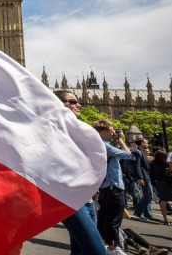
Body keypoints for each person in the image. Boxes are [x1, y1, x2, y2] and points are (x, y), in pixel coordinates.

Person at [54, 90, 106, 255]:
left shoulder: (79, 130)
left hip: (88, 200)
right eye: (73, 101)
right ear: (60, 104)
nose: (79, 105)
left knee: (79, 251)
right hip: (70, 198)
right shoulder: (54, 129)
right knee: (97, 251)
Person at [94, 119, 134, 255]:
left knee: (104, 217)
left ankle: (104, 245)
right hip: (113, 186)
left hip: (106, 186)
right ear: (104, 132)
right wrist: (122, 141)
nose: (114, 133)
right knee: (113, 218)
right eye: (112, 130)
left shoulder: (100, 144)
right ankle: (113, 248)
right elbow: (129, 156)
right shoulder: (106, 146)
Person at [151, 148, 172, 225]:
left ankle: (165, 220)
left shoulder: (153, 163)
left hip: (160, 183)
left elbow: (151, 175)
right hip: (170, 182)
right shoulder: (167, 163)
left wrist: (154, 184)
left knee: (163, 201)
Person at [132, 138, 155, 221]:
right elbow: (137, 166)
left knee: (147, 195)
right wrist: (140, 177)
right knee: (148, 195)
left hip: (146, 176)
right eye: (146, 142)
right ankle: (138, 212)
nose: (148, 144)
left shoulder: (142, 152)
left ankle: (148, 214)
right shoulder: (137, 152)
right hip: (143, 177)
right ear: (142, 143)